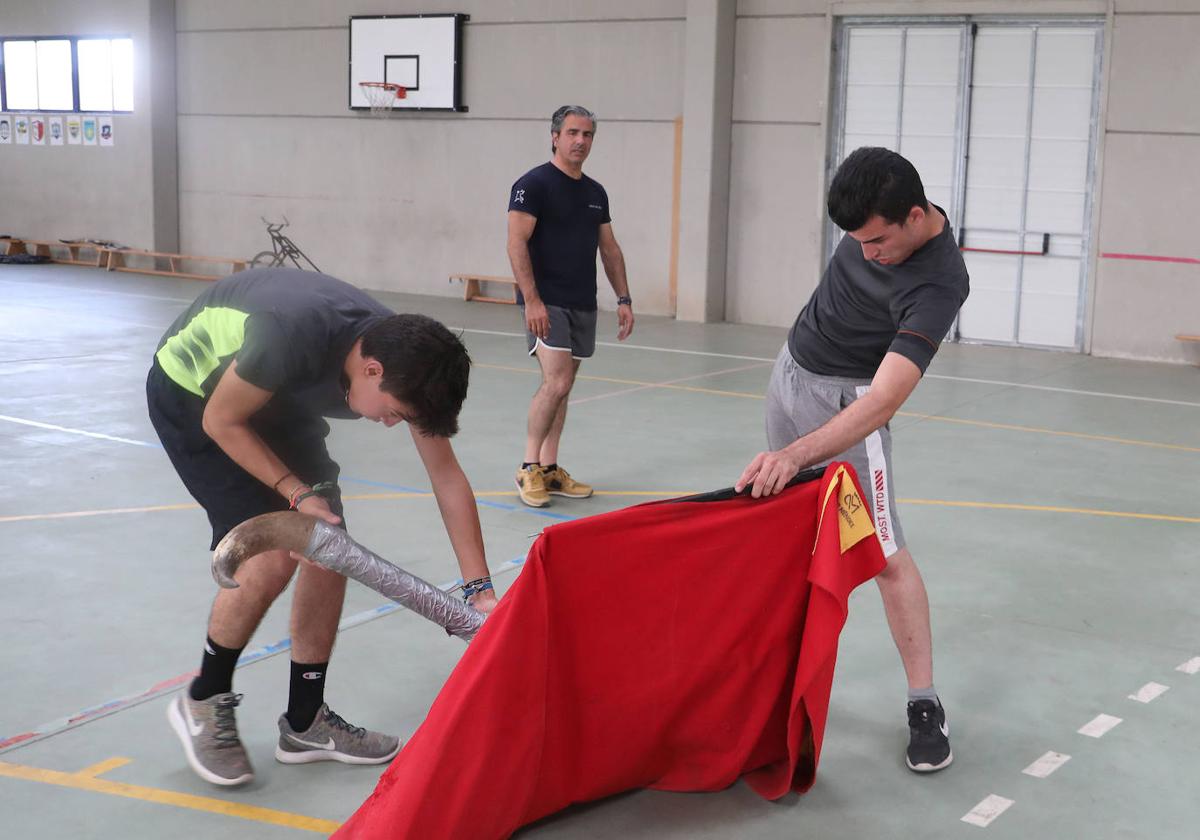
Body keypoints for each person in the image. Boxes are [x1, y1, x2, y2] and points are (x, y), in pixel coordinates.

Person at [147, 267, 497, 787]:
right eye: (396, 413)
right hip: (198, 397)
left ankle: (306, 721)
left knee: (332, 547)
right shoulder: (288, 334)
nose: (394, 423)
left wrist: (480, 591)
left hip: (277, 399)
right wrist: (295, 491)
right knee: (270, 559)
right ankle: (203, 698)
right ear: (372, 371)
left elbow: (447, 478)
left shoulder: (409, 367)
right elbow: (223, 421)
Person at [735, 147, 969, 773]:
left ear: (916, 218)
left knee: (884, 555)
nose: (867, 253)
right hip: (791, 372)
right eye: (856, 242)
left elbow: (887, 395)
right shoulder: (874, 195)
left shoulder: (939, 281)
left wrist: (795, 452)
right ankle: (774, 680)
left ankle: (924, 703)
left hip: (850, 403)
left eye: (878, 243)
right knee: (786, 533)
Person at [507, 105, 634, 508]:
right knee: (556, 381)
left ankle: (549, 468)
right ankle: (528, 467)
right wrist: (532, 301)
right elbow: (516, 243)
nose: (581, 141)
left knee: (565, 388)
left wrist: (624, 298)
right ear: (555, 137)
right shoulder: (533, 185)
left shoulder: (595, 193)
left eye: (588, 135)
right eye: (573, 133)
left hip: (583, 301)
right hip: (547, 302)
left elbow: (609, 249)